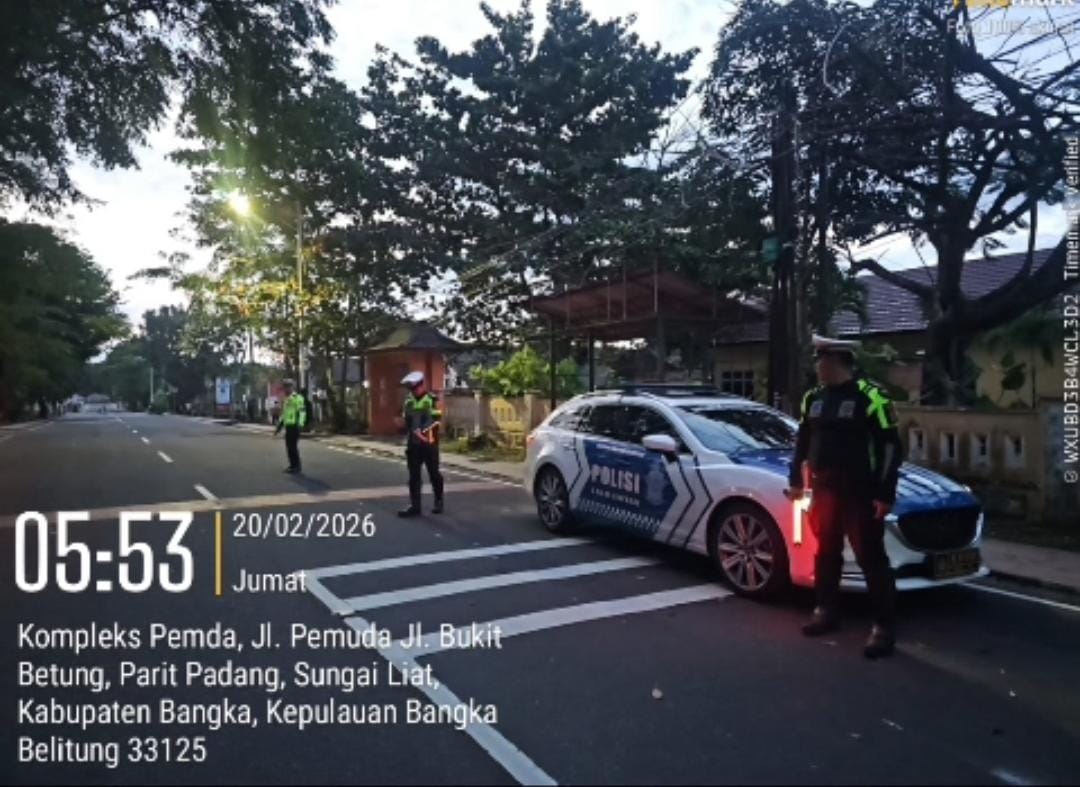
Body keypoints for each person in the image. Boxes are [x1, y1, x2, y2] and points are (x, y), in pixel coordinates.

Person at [785, 334, 902, 659]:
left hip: (860, 492)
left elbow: (890, 447)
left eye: (820, 360)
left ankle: (883, 627)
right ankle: (826, 611)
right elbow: (803, 441)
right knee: (826, 552)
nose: (817, 367)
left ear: (836, 361)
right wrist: (795, 480)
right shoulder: (813, 398)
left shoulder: (872, 396)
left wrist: (885, 493)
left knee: (871, 558)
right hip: (824, 489)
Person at [397, 371, 444, 517]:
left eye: (416, 387)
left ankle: (438, 500)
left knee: (434, 473)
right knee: (414, 477)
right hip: (414, 445)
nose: (414, 390)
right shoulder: (408, 402)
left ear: (422, 385)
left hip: (429, 443)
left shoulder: (432, 400)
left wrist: (422, 431)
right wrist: (405, 427)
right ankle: (415, 506)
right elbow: (407, 421)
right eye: (411, 388)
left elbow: (436, 419)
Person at [273, 379, 307, 473]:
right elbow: (284, 414)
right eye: (285, 387)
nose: (286, 389)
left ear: (292, 387)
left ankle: (296, 466)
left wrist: (300, 424)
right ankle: (292, 465)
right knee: (289, 447)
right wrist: (279, 427)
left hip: (295, 426)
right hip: (288, 426)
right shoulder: (286, 399)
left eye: (287, 387)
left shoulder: (298, 398)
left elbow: (302, 412)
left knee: (293, 447)